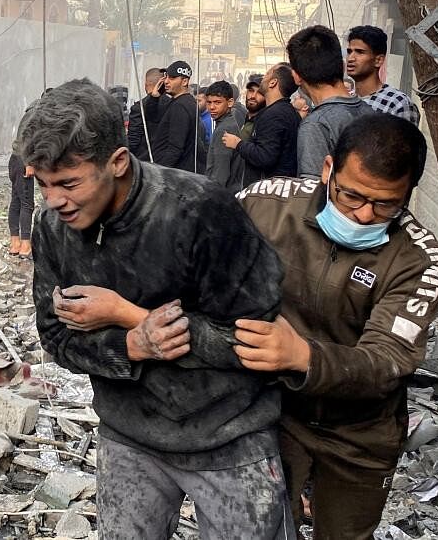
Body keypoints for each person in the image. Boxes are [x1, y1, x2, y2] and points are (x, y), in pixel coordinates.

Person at [21, 79, 293, 540]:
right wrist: (129, 345)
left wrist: (130, 317)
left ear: (118, 162)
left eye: (68, 183)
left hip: (230, 438)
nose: (54, 201)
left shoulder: (201, 210)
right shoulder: (52, 228)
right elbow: (55, 336)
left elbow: (256, 340)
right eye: (44, 185)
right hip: (128, 437)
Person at [234, 113, 438, 540]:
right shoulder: (266, 205)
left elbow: (386, 360)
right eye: (351, 195)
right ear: (328, 169)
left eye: (386, 204)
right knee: (261, 528)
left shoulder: (418, 258)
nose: (365, 214)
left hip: (360, 433)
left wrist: (302, 356)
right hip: (271, 412)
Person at [288, 26, 374, 177]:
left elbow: (314, 191)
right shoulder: (369, 111)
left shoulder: (316, 125)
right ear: (343, 66)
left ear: (296, 77)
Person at [223, 63, 302, 190]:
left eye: (267, 74)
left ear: (273, 83)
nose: (263, 79)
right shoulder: (287, 111)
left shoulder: (274, 115)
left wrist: (238, 144)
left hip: (267, 194)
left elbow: (265, 157)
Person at [346, 25, 421, 125]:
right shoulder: (346, 100)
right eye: (349, 52)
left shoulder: (397, 103)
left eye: (360, 52)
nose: (351, 58)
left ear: (378, 60)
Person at [153, 61, 207, 173]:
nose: (166, 81)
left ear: (185, 81)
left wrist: (160, 172)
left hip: (175, 174)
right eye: (166, 77)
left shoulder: (180, 106)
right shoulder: (187, 102)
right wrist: (154, 98)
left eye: (172, 78)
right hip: (182, 172)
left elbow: (175, 147)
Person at [127, 68, 171, 162]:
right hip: (165, 160)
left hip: (143, 161)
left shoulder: (139, 107)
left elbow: (133, 141)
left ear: (146, 84)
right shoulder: (172, 104)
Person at [204, 81, 241, 188]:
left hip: (222, 193)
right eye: (209, 102)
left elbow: (220, 173)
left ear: (230, 102)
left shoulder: (225, 128)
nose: (212, 107)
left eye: (217, 102)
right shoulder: (226, 123)